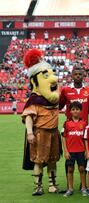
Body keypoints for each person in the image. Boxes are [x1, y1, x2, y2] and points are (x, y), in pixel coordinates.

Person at [22, 49, 61, 196]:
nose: (53, 79)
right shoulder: (34, 99)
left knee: (53, 160)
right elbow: (29, 117)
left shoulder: (53, 98)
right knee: (38, 160)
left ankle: (52, 185)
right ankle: (38, 186)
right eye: (46, 76)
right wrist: (30, 133)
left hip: (53, 132)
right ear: (34, 81)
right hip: (40, 133)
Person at [62, 101, 87, 197]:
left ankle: (84, 188)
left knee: (82, 169)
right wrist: (66, 151)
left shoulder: (84, 123)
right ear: (70, 111)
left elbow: (86, 138)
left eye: (77, 109)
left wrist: (86, 151)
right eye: (73, 109)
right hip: (71, 151)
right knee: (70, 169)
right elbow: (63, 137)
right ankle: (70, 189)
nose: (75, 111)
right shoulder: (67, 123)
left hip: (81, 150)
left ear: (80, 111)